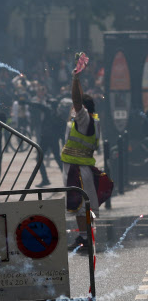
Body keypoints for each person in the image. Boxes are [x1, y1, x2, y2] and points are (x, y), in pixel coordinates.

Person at [61, 57, 100, 250]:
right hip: (79, 168)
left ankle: (85, 238)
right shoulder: (91, 120)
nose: (72, 109)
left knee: (79, 205)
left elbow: (77, 100)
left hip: (78, 171)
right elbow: (80, 100)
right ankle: (84, 237)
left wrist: (75, 78)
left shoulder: (84, 119)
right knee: (80, 205)